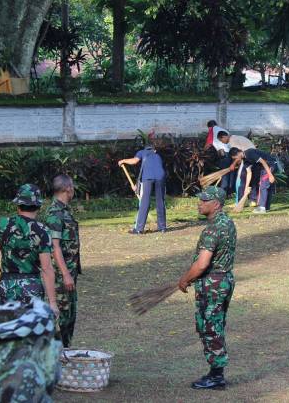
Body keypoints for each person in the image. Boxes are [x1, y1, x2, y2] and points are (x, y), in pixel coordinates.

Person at [177, 186, 236, 389]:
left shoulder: (213, 229)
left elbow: (202, 264)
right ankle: (216, 373)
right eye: (200, 200)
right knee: (215, 325)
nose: (199, 203)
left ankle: (216, 376)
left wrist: (185, 280)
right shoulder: (227, 222)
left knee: (210, 327)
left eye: (204, 200)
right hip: (224, 280)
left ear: (216, 204)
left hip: (213, 284)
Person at [0, 184, 58, 317]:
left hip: (6, 287)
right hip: (32, 289)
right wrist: (52, 303)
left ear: (18, 205)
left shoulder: (3, 224)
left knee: (6, 328)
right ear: (38, 206)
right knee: (29, 328)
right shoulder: (42, 230)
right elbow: (47, 268)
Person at [43, 174, 81, 348]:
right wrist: (65, 274)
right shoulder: (55, 213)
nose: (73, 190)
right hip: (60, 276)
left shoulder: (64, 211)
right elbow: (54, 246)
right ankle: (55, 354)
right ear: (67, 189)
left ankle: (65, 352)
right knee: (61, 317)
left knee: (69, 315)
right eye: (72, 186)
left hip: (69, 273)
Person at [118, 141, 167, 234]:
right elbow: (151, 169)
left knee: (145, 201)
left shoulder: (142, 152)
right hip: (160, 177)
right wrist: (137, 185)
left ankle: (139, 229)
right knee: (160, 201)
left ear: (145, 148)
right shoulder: (157, 155)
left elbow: (134, 161)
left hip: (148, 178)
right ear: (154, 149)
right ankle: (162, 228)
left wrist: (123, 161)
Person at [229, 147, 277, 213]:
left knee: (263, 185)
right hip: (264, 168)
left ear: (238, 153)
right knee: (266, 186)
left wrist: (270, 175)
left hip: (270, 164)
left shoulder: (249, 153)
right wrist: (246, 188)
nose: (236, 160)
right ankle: (266, 207)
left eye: (235, 158)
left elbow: (263, 162)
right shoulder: (245, 161)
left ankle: (262, 207)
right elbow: (249, 173)